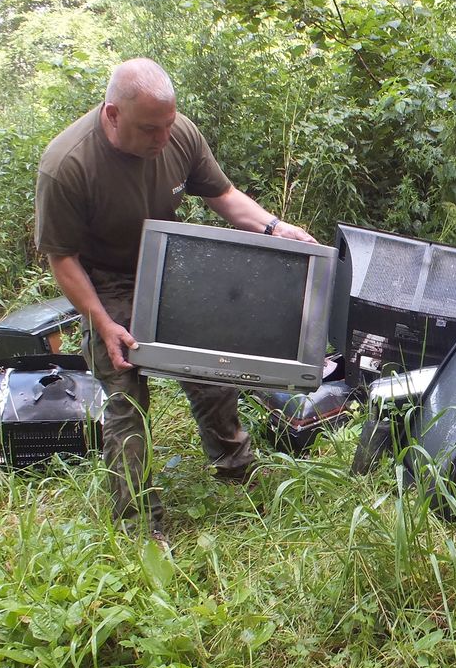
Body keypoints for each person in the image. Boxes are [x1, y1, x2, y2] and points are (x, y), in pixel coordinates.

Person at [34, 58, 315, 540]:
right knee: (126, 395)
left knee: (214, 365)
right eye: (149, 129)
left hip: (170, 264)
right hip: (104, 280)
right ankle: (141, 524)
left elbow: (223, 196)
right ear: (112, 114)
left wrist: (275, 227)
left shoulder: (176, 131)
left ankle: (237, 469)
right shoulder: (67, 166)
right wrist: (102, 322)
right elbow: (62, 259)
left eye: (168, 125)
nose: (163, 139)